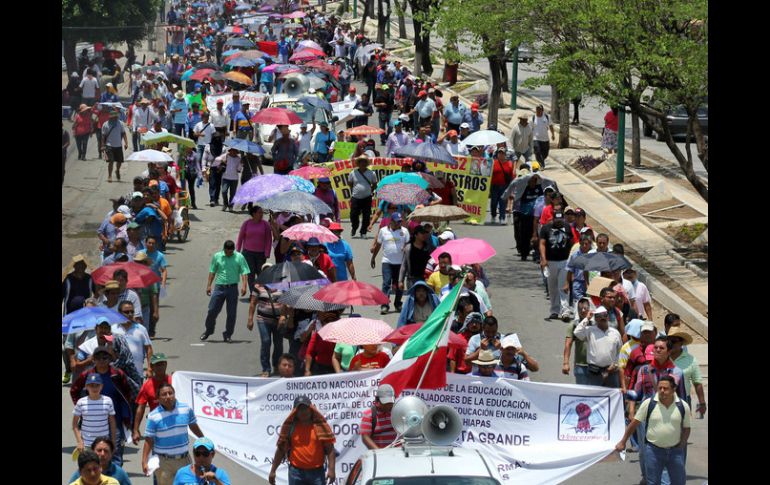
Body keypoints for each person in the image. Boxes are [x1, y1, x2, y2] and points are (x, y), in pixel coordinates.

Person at [615, 376, 690, 485]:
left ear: (674, 389)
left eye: (666, 388)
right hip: (654, 452)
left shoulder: (683, 405)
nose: (662, 391)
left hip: (675, 452)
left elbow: (687, 428)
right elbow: (634, 423)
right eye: (660, 388)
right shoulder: (649, 403)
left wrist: (682, 444)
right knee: (653, 482)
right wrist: (623, 442)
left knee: (679, 482)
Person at [70, 345, 134, 467]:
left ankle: (114, 477)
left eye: (105, 357)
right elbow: (74, 390)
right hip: (94, 422)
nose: (101, 360)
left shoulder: (117, 373)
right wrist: (83, 407)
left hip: (116, 418)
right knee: (93, 456)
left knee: (115, 452)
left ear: (110, 359)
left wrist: (127, 416)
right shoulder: (87, 375)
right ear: (93, 359)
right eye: (98, 358)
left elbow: (127, 394)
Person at [142, 383, 205, 485]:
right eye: (164, 394)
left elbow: (193, 425)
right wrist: (144, 461)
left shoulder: (186, 409)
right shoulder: (153, 416)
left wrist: (203, 439)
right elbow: (149, 440)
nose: (168, 396)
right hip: (164, 462)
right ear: (158, 398)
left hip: (185, 460)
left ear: (174, 394)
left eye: (170, 393)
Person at [269, 395, 336, 485]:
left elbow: (330, 449)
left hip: (317, 474)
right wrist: (273, 470)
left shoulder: (320, 427)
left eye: (305, 408)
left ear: (311, 409)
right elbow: (281, 449)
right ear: (295, 412)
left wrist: (331, 470)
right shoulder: (290, 427)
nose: (303, 411)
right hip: (296, 473)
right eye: (300, 409)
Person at [202, 240, 250, 342]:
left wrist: (244, 286)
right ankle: (208, 330)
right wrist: (209, 285)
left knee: (231, 314)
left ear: (233, 250)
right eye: (227, 252)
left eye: (231, 252)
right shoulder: (217, 256)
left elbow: (244, 272)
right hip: (219, 287)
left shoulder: (239, 257)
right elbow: (212, 271)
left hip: (232, 288)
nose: (229, 254)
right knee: (212, 310)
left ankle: (228, 334)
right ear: (224, 249)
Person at [540, 207, 576, 321]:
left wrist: (572, 260)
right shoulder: (546, 228)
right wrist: (543, 259)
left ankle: (565, 311)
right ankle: (555, 310)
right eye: (557, 221)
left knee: (563, 286)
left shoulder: (567, 227)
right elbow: (542, 244)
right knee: (552, 287)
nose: (559, 223)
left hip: (564, 261)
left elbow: (571, 243)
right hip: (551, 262)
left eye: (561, 221)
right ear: (553, 218)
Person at [573, 306, 623, 388]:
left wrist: (615, 364)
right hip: (594, 372)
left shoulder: (615, 333)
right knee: (594, 397)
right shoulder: (590, 330)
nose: (602, 318)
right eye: (599, 316)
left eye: (605, 315)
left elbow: (620, 351)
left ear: (608, 317)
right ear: (595, 319)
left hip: (611, 372)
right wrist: (587, 318)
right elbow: (577, 332)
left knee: (611, 396)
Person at [371, 213, 410, 314]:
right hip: (387, 261)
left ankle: (398, 304)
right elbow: (378, 245)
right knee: (386, 284)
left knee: (399, 285)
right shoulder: (383, 231)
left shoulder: (404, 231)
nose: (399, 223)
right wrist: (373, 258)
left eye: (400, 221)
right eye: (397, 221)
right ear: (391, 221)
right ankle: (385, 305)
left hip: (400, 263)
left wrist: (405, 248)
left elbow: (408, 245)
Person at [133, 353, 172, 444]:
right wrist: (135, 429)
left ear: (166, 364)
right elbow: (141, 408)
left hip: (173, 422)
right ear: (152, 367)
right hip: (156, 424)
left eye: (162, 364)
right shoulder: (147, 385)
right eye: (157, 365)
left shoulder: (173, 380)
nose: (160, 367)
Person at [72, 374, 117, 453]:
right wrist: (79, 442)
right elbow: (75, 424)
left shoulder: (108, 401)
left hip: (103, 444)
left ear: (102, 386)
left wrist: (113, 441)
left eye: (97, 385)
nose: (94, 388)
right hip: (87, 445)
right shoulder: (81, 402)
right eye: (91, 385)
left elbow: (112, 422)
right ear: (86, 387)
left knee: (103, 465)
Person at [111, 301, 152, 379]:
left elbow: (149, 349)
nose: (130, 314)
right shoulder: (113, 329)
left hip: (137, 373)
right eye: (126, 312)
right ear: (119, 313)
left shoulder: (141, 329)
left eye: (132, 312)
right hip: (118, 373)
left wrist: (149, 368)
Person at [237, 205, 273, 293]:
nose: (261, 214)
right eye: (259, 212)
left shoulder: (265, 224)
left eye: (262, 213)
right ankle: (253, 293)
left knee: (260, 274)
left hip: (261, 254)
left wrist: (267, 252)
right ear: (254, 213)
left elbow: (269, 239)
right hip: (248, 253)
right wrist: (237, 251)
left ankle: (261, 292)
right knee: (250, 274)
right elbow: (240, 237)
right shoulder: (246, 223)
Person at [347, 156, 377, 238]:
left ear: (366, 163)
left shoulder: (372, 173)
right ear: (358, 163)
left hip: (367, 197)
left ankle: (363, 232)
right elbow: (350, 183)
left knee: (366, 216)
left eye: (364, 162)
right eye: (361, 162)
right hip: (355, 197)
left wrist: (369, 191)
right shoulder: (353, 173)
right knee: (353, 215)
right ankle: (354, 227)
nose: (363, 163)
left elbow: (374, 184)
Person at [563, 297, 591, 384]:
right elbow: (568, 344)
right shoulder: (573, 325)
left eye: (585, 308)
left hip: (596, 366)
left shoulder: (596, 324)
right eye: (580, 308)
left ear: (590, 309)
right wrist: (565, 363)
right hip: (580, 365)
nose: (583, 311)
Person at [360, 384, 397, 449]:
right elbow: (365, 437)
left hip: (397, 454)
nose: (388, 405)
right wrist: (379, 453)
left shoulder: (398, 412)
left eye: (390, 402)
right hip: (378, 454)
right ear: (377, 401)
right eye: (385, 403)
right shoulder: (369, 415)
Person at [398, 225, 432, 290]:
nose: (424, 235)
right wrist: (400, 281)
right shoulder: (408, 248)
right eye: (422, 233)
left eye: (425, 233)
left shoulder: (428, 247)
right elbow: (404, 265)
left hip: (426, 279)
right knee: (412, 298)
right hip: (412, 280)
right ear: (416, 235)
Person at [101, 109, 129, 183]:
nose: (115, 118)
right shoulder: (105, 124)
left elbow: (123, 133)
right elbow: (103, 136)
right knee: (111, 161)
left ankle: (117, 170)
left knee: (119, 161)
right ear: (110, 117)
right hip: (109, 145)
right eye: (114, 117)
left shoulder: (120, 124)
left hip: (118, 145)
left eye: (116, 117)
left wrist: (126, 143)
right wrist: (103, 145)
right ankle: (109, 176)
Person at [489, 148, 514, 225]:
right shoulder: (493, 163)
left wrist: (511, 188)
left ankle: (502, 217)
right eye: (499, 153)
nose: (501, 155)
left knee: (503, 202)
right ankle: (493, 215)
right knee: (494, 202)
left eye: (502, 153)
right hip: (494, 186)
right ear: (497, 154)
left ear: (505, 155)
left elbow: (512, 176)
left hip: (504, 186)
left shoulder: (509, 164)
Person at [531, 105, 555, 169]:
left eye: (539, 109)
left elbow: (551, 126)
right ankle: (541, 164)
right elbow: (530, 128)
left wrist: (553, 134)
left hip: (545, 139)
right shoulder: (533, 118)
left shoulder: (546, 117)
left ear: (542, 110)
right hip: (536, 138)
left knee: (545, 153)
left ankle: (540, 161)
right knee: (537, 151)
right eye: (537, 109)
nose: (538, 111)